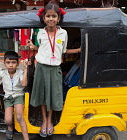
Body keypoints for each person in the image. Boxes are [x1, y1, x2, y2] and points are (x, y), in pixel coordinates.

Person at [26, 0, 81, 137]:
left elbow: (62, 51)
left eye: (54, 16)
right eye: (48, 16)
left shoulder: (63, 34)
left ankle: (50, 120)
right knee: (43, 97)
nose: (51, 19)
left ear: (58, 18)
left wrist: (79, 49)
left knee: (51, 97)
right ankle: (44, 120)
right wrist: (34, 48)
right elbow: (44, 49)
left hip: (55, 69)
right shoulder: (40, 33)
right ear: (44, 18)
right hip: (41, 69)